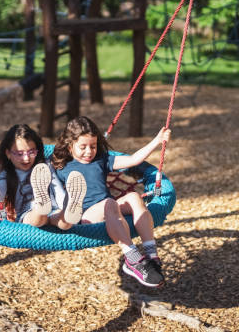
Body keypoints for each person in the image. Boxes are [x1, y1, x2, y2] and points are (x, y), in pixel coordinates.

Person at [52, 116, 171, 288]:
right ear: (70, 145)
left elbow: (133, 160)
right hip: (85, 217)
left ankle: (151, 253)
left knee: (134, 197)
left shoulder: (101, 159)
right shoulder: (61, 165)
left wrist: (157, 141)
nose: (88, 151)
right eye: (82, 147)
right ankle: (132, 258)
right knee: (109, 203)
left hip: (110, 210)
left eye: (92, 146)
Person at [0, 124, 85, 229]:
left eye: (31, 152)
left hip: (54, 210)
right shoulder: (7, 173)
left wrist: (64, 207)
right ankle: (41, 205)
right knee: (39, 216)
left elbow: (57, 191)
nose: (26, 158)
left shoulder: (45, 166)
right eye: (20, 153)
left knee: (65, 222)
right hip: (27, 216)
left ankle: (70, 209)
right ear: (8, 153)